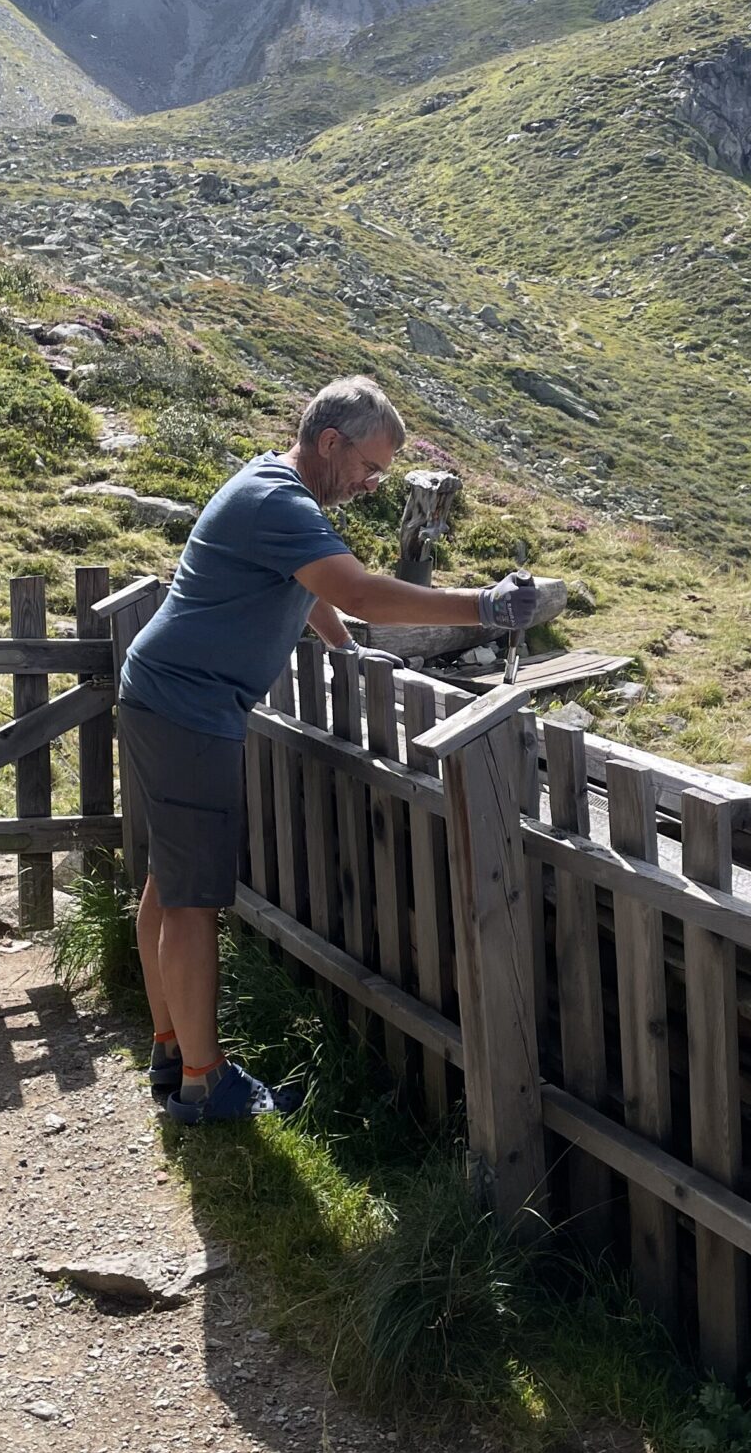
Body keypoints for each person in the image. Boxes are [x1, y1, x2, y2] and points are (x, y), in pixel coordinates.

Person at [118, 374, 545, 1126]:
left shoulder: (274, 489)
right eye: (371, 466)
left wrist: (345, 649)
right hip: (189, 707)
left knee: (168, 879)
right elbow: (357, 590)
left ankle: (168, 1047)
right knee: (193, 901)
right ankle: (203, 1083)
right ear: (329, 443)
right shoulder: (279, 501)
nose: (374, 483)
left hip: (164, 694)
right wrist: (483, 607)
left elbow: (310, 589)